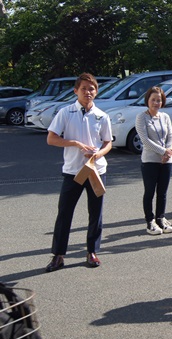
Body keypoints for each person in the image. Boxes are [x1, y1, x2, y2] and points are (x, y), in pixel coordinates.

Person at [44, 73, 113, 272]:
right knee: (64, 213)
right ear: (76, 91)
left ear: (96, 92)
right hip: (73, 171)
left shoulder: (102, 115)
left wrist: (99, 153)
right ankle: (58, 255)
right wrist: (74, 143)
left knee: (95, 213)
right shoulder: (66, 113)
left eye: (91, 89)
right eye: (84, 89)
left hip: (96, 170)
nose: (88, 92)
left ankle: (92, 251)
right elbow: (51, 139)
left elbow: (108, 142)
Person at [136, 86, 172, 235]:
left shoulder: (165, 116)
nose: (156, 103)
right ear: (148, 100)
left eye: (159, 100)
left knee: (162, 192)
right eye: (153, 100)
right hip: (150, 160)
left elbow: (170, 136)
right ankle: (150, 221)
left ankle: (161, 218)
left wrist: (168, 151)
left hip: (167, 160)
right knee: (150, 191)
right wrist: (163, 151)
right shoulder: (142, 117)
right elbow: (145, 140)